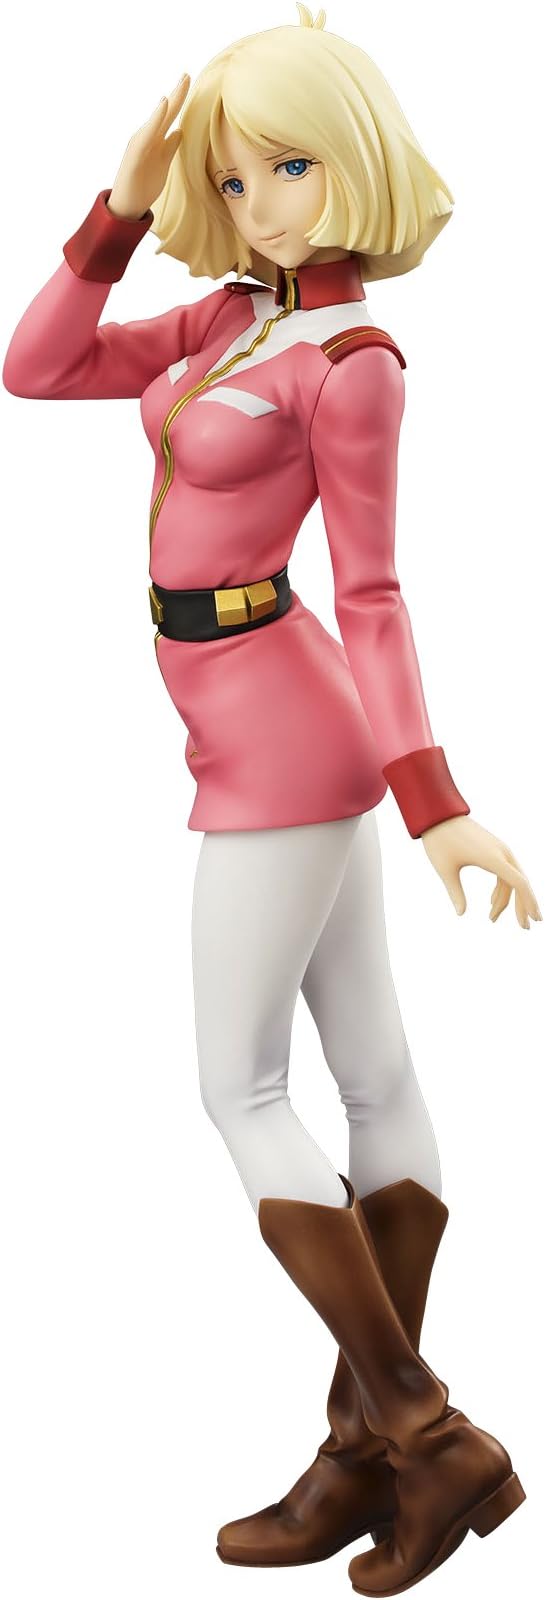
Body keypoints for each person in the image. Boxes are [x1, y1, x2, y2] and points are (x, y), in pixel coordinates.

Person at [3, 7, 540, 1594]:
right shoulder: (224, 319)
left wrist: (433, 801)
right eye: (236, 180)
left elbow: (371, 594)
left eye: (289, 169)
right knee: (370, 1068)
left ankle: (422, 1430)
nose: (262, 205)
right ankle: (363, 1458)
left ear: (352, 160)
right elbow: (36, 367)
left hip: (284, 727)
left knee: (238, 1088)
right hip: (242, 711)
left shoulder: (350, 366)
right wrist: (119, 207)